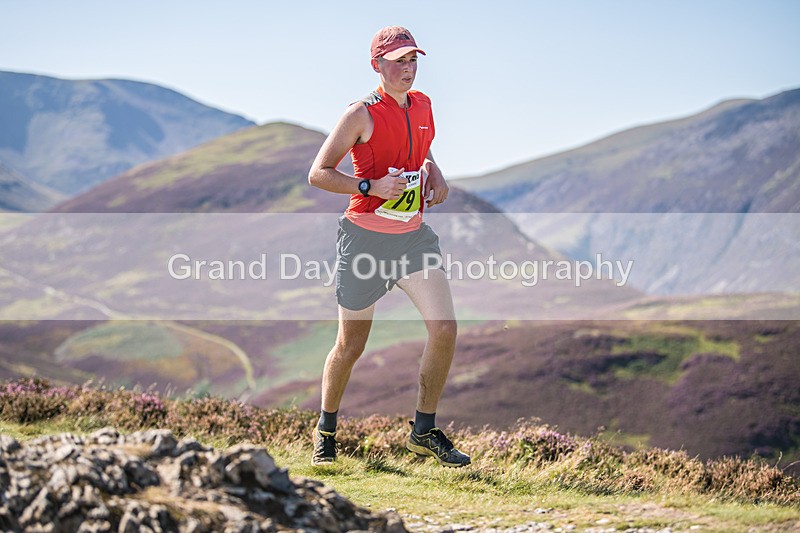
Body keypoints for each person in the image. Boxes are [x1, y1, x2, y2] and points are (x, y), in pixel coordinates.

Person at [307, 26, 470, 468]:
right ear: (376, 64)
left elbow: (420, 150)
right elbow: (319, 173)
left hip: (413, 236)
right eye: (398, 61)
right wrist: (370, 184)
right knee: (351, 345)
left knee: (445, 329)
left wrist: (435, 171)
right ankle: (326, 430)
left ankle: (423, 430)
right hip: (364, 239)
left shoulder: (425, 106)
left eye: (413, 60)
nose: (408, 69)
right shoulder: (360, 113)